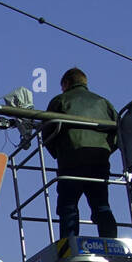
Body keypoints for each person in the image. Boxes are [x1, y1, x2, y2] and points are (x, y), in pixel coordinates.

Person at [44, 68, 119, 240]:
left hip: (71, 160)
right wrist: (106, 150)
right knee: (101, 204)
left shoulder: (60, 100)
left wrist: (59, 153)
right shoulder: (103, 102)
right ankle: (111, 242)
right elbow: (118, 131)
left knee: (68, 205)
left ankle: (69, 244)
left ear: (66, 84)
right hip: (99, 160)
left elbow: (47, 132)